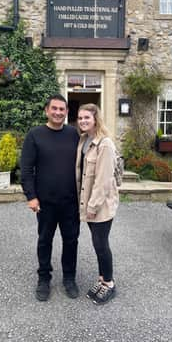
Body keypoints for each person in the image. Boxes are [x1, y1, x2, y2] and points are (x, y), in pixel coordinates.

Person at [20, 94, 80, 301]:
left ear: (66, 112)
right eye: (54, 108)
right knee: (45, 240)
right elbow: (26, 169)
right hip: (44, 202)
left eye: (62, 109)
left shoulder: (74, 134)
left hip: (71, 201)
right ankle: (44, 279)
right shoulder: (35, 135)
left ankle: (69, 278)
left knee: (71, 240)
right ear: (47, 110)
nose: (58, 112)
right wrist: (31, 196)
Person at [75, 103, 119, 305]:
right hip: (89, 202)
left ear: (96, 119)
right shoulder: (85, 140)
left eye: (87, 118)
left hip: (100, 205)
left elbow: (103, 180)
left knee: (101, 244)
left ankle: (109, 283)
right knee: (96, 242)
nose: (83, 121)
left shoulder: (105, 144)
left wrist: (92, 207)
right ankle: (102, 279)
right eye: (80, 117)